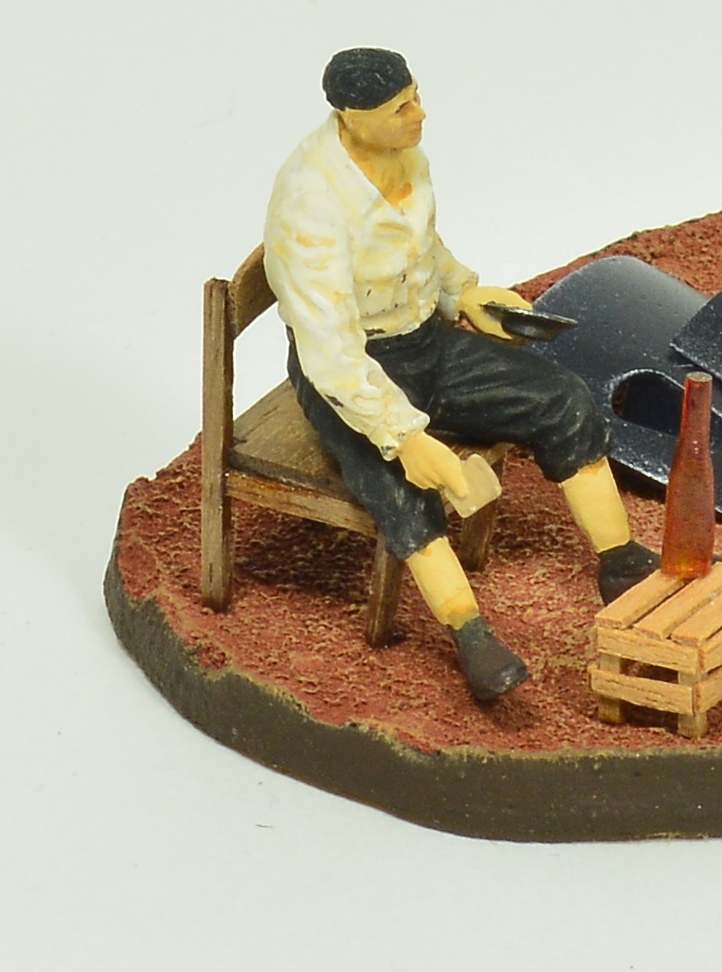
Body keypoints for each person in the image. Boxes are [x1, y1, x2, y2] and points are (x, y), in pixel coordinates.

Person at [263, 48, 659, 702]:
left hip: (427, 341)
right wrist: (403, 436)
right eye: (401, 108)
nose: (420, 114)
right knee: (402, 487)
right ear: (352, 117)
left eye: (416, 96)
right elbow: (328, 349)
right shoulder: (310, 201)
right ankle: (471, 634)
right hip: (354, 372)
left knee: (563, 399)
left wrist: (465, 295)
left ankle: (620, 560)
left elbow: (423, 250)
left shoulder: (405, 157)